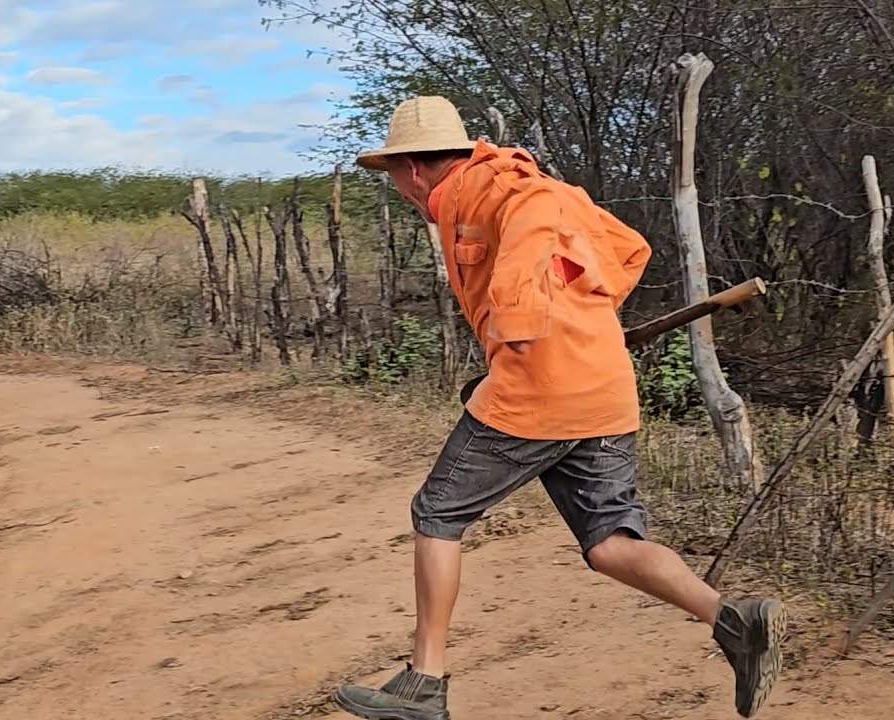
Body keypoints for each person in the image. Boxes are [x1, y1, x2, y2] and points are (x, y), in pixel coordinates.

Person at [334, 96, 786, 720]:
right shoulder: (501, 189)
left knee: (437, 512)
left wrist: (521, 319)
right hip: (601, 384)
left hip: (538, 386)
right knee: (608, 542)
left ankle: (424, 682)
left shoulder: (501, 188)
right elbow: (628, 249)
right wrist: (585, 320)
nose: (400, 188)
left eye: (393, 175)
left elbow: (534, 216)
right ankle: (732, 618)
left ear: (412, 169)